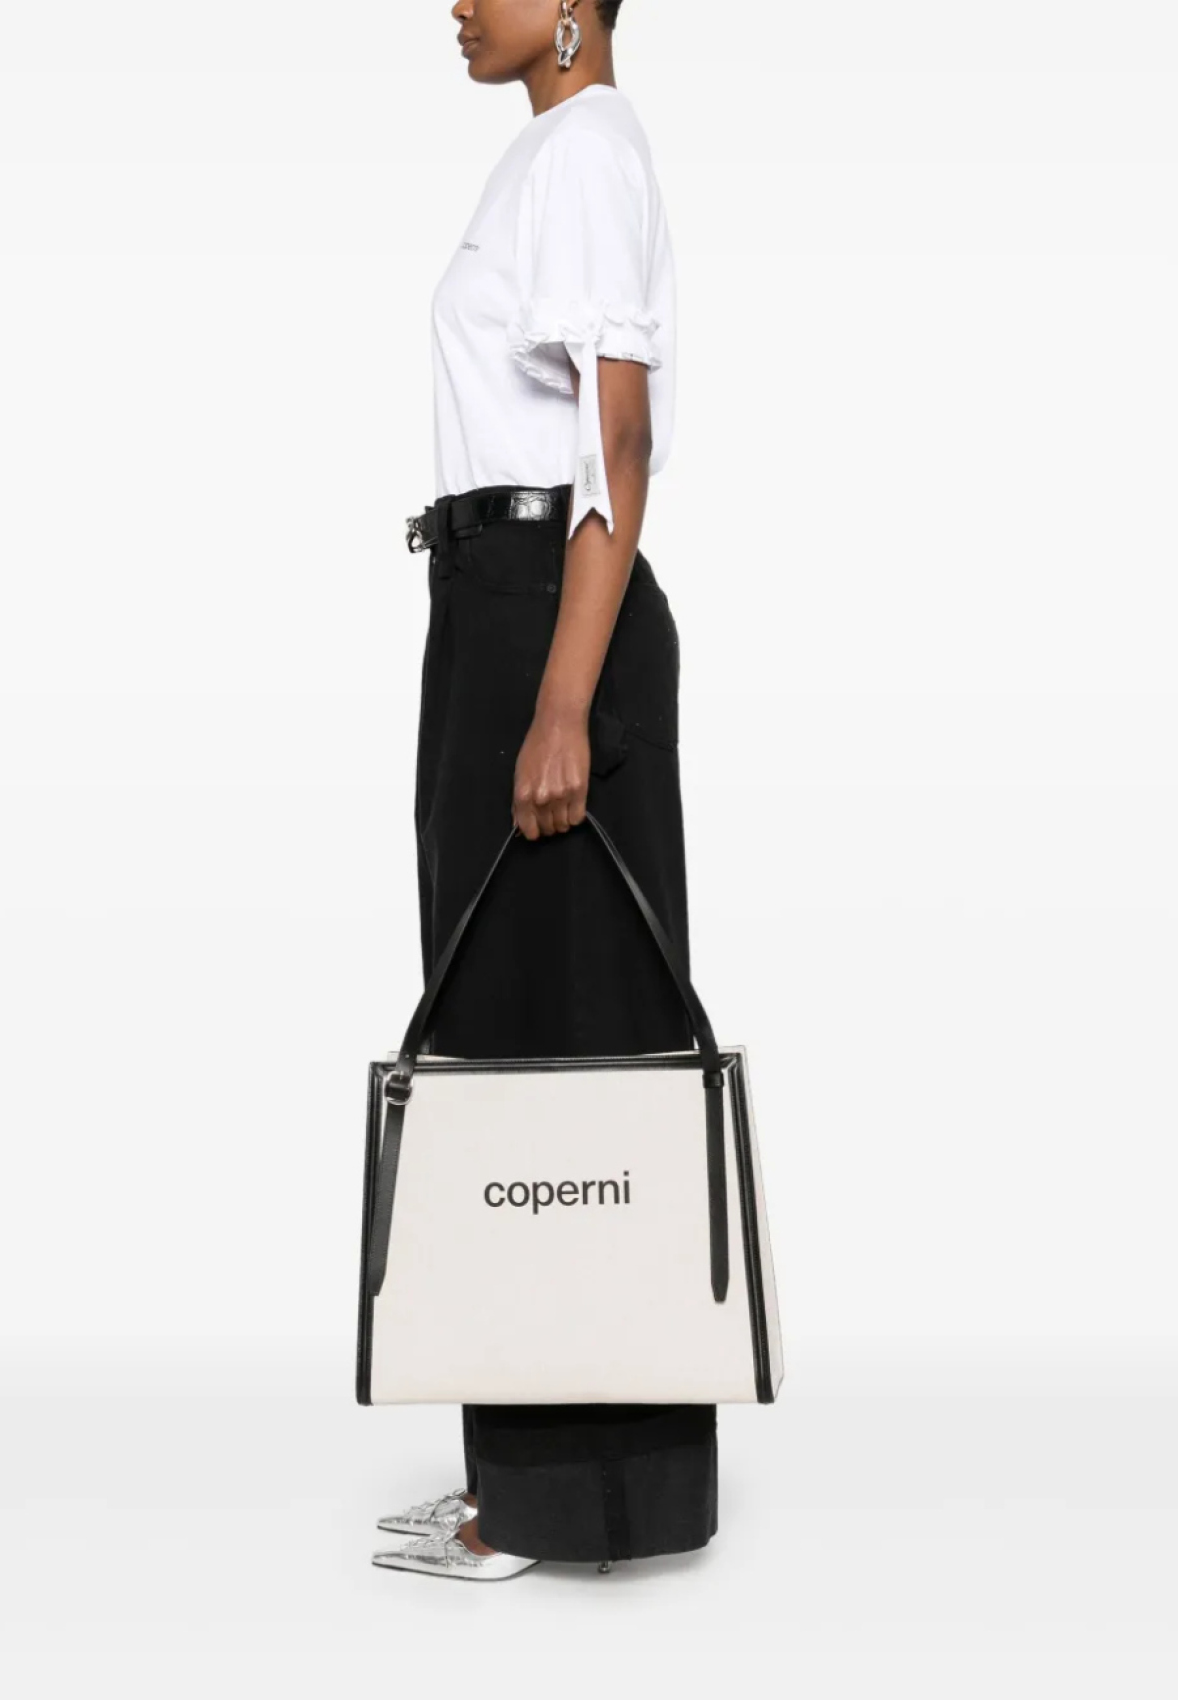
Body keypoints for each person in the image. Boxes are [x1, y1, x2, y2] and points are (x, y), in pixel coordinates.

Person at [371, 0, 718, 1580]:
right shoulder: (555, 154)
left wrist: (563, 698)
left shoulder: (586, 148)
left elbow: (616, 440)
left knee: (562, 1059)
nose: (456, 1)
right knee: (516, 1045)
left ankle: (567, 1501)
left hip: (544, 618)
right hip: (497, 608)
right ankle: (538, 1484)